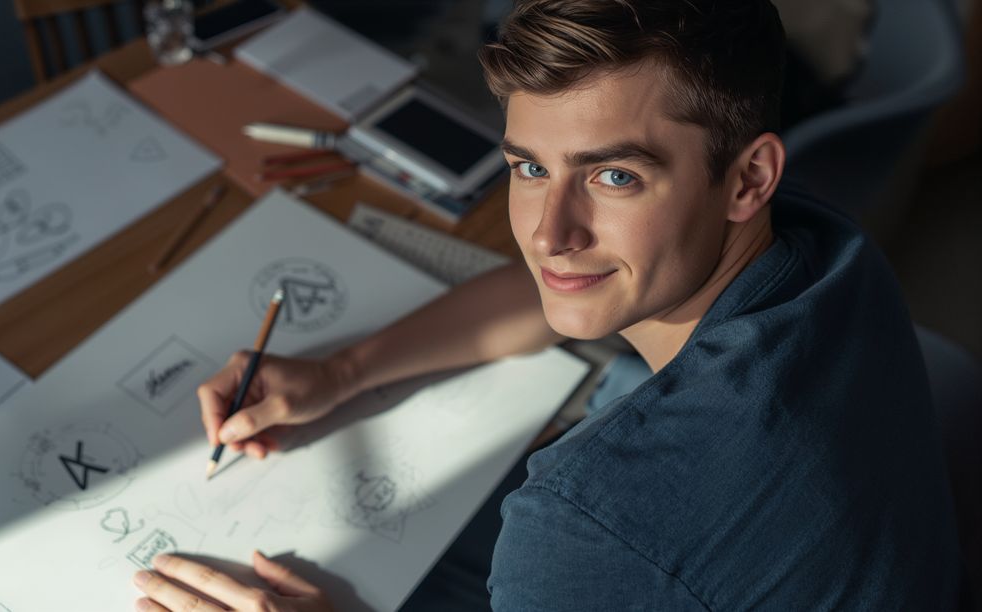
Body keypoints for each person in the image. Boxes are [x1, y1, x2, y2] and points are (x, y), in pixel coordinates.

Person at [129, 0, 964, 610]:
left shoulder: (587, 523)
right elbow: (554, 292)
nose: (548, 233)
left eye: (614, 176)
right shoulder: (821, 244)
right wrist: (341, 370)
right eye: (530, 168)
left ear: (749, 177)